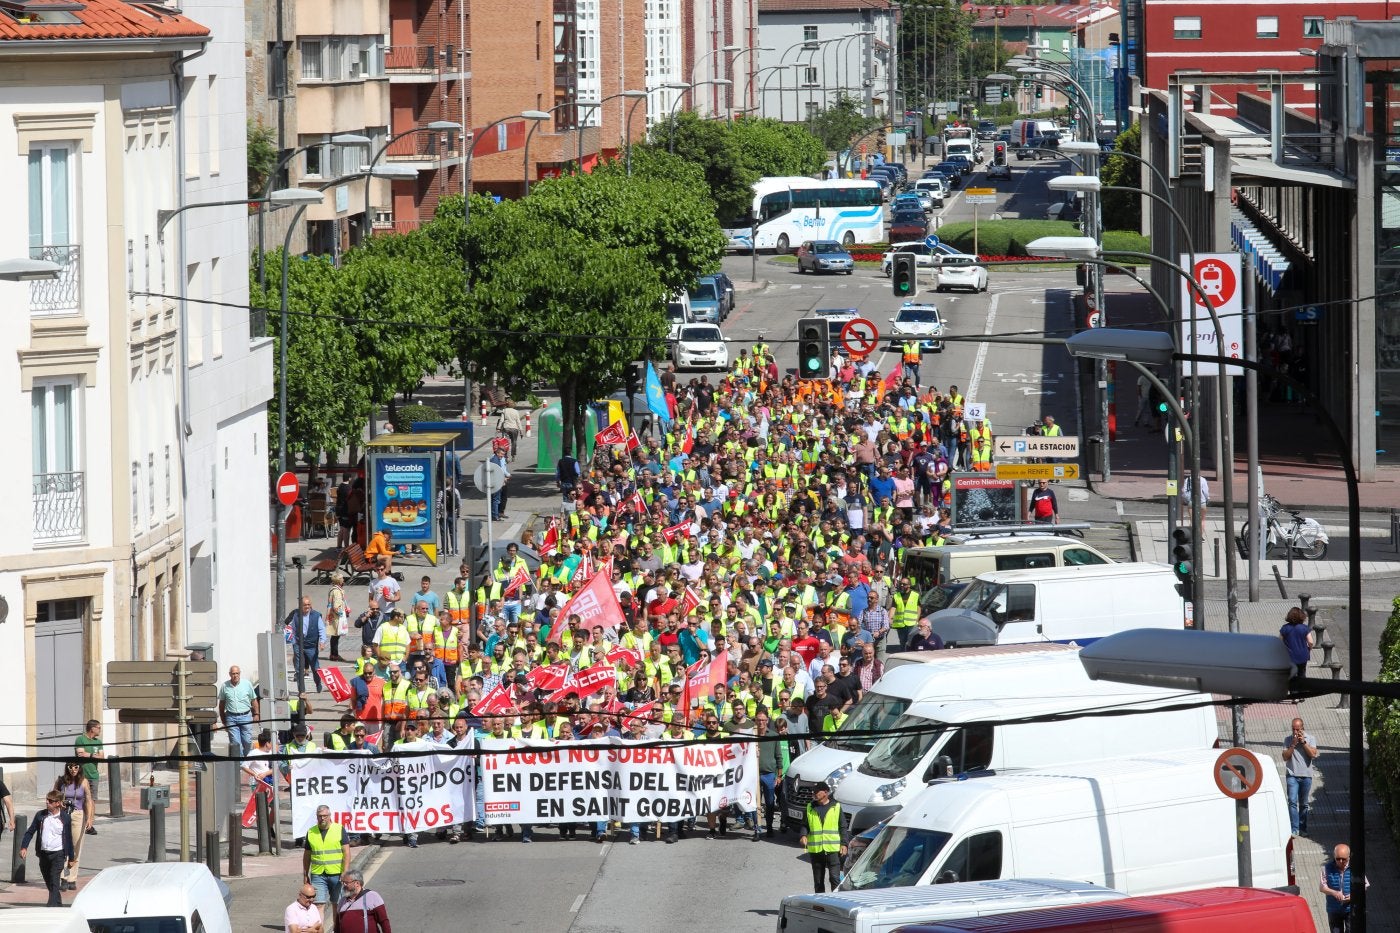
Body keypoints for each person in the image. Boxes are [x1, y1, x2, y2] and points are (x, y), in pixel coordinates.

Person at [20, 790, 76, 907]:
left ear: (58, 803)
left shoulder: (65, 818)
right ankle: (58, 905)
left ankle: (51, 908)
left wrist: (71, 858)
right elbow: (30, 832)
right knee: (50, 883)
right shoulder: (41, 816)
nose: (47, 802)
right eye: (47, 799)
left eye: (50, 801)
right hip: (44, 855)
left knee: (55, 881)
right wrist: (24, 847)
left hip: (58, 855)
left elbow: (69, 839)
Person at [304, 805, 350, 924]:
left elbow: (346, 852)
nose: (322, 818)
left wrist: (345, 872)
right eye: (320, 816)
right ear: (317, 817)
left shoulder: (339, 829)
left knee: (337, 904)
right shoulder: (311, 832)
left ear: (330, 816)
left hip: (336, 874)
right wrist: (305, 873)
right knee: (318, 905)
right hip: (318, 874)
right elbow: (307, 855)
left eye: (325, 816)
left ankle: (337, 929)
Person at [51, 760, 93, 890]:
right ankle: (63, 877)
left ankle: (72, 878)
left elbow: (88, 800)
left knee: (75, 846)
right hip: (63, 815)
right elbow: (52, 796)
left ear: (79, 768)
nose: (73, 769)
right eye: (70, 766)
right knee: (63, 845)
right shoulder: (61, 781)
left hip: (78, 815)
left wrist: (90, 818)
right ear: (67, 768)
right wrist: (58, 805)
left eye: (76, 766)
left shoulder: (83, 782)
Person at [798, 784, 846, 894]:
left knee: (834, 879)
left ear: (826, 792)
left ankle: (836, 904)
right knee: (818, 881)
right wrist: (803, 835)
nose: (813, 793)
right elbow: (805, 825)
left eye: (816, 791)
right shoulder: (810, 807)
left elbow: (843, 827)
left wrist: (844, 844)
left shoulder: (836, 807)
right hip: (816, 850)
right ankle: (820, 906)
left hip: (832, 849)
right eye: (813, 791)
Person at [1320, 843, 1368, 932]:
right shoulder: (1327, 868)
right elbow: (1322, 887)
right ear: (1334, 856)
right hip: (1334, 909)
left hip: (1350, 909)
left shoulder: (1355, 868)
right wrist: (1334, 892)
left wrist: (1352, 896)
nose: (1341, 861)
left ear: (1349, 857)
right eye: (1338, 859)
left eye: (1344, 859)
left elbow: (1365, 885)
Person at [1283, 717, 1318, 837]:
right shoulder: (1288, 740)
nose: (1295, 732)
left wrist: (1303, 743)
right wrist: (1292, 745)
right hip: (1292, 775)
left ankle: (1303, 827)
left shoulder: (1311, 739)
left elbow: (1313, 754)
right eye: (1293, 729)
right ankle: (1294, 828)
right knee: (1292, 801)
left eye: (1297, 729)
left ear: (1302, 729)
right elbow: (1285, 757)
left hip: (1306, 776)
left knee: (1303, 804)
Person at [287, 596, 328, 694]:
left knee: (315, 668)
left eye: (309, 604)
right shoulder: (296, 615)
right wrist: (293, 642)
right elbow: (292, 628)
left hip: (311, 646)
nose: (307, 606)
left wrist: (322, 642)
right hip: (298, 644)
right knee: (299, 669)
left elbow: (321, 629)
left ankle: (318, 683)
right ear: (301, 606)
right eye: (305, 605)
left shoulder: (316, 615)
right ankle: (302, 690)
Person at [336, 868, 391, 933]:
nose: (343, 885)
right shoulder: (342, 901)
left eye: (346, 883)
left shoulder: (372, 896)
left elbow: (384, 921)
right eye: (343, 883)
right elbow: (337, 925)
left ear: (357, 883)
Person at [73, 719, 104, 815]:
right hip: (82, 776)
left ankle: (90, 822)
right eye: (99, 728)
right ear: (92, 728)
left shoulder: (98, 742)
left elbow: (102, 757)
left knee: (92, 800)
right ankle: (83, 820)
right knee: (82, 799)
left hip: (94, 776)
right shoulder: (81, 739)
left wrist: (89, 755)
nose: (100, 730)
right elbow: (81, 754)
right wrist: (93, 755)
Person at [1279, 607, 1313, 682]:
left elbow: (1280, 642)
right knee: (1302, 674)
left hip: (1289, 657)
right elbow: (1310, 642)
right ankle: (1303, 691)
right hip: (1303, 655)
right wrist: (1309, 648)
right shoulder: (1304, 628)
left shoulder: (1285, 628)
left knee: (1292, 676)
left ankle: (1294, 691)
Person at [327, 572, 350, 661]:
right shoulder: (337, 592)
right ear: (339, 581)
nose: (343, 579)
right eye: (342, 578)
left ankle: (333, 654)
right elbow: (336, 605)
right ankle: (334, 655)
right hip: (337, 617)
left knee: (334, 636)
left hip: (333, 615)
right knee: (336, 636)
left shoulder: (333, 589)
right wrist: (342, 613)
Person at [1181, 473, 1209, 538]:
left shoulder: (1187, 480)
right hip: (1202, 502)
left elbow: (1184, 491)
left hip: (1191, 502)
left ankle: (1193, 536)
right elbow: (1206, 492)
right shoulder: (1203, 480)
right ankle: (1200, 537)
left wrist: (1186, 500)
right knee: (1202, 520)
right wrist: (1207, 498)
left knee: (1192, 520)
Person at [439, 478, 461, 555]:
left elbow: (438, 504)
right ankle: (454, 550)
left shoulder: (441, 492)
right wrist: (458, 514)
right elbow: (459, 503)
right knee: (453, 533)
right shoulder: (455, 491)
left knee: (443, 533)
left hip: (444, 515)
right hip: (453, 514)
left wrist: (437, 515)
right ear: (451, 483)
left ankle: (445, 550)